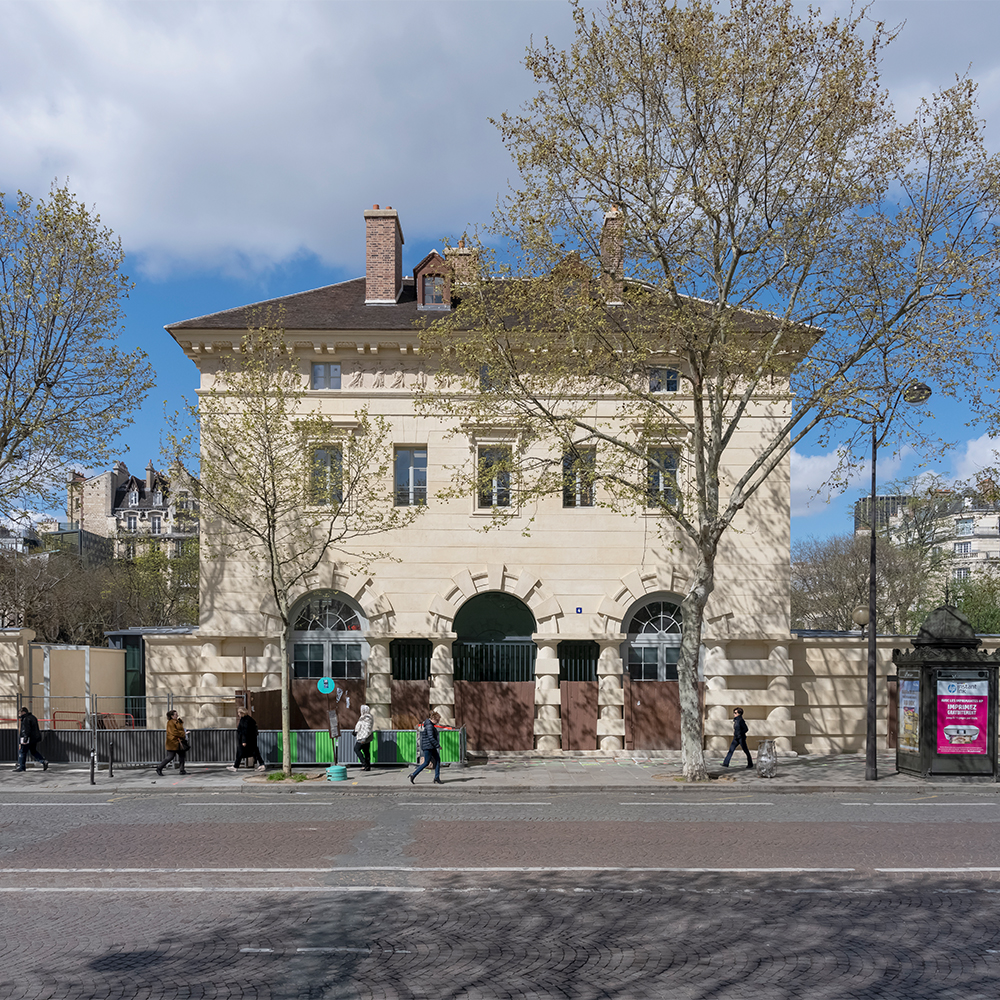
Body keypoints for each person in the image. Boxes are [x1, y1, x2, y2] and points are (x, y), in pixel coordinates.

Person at [409, 711, 442, 784]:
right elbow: (431, 737)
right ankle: (413, 774)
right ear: (434, 719)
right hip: (429, 747)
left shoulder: (428, 724)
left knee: (437, 760)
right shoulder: (429, 726)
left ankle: (437, 777)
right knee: (426, 763)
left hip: (430, 747)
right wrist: (438, 745)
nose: (438, 722)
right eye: (438, 720)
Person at [228, 707, 265, 771]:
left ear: (242, 713)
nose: (238, 714)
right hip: (251, 740)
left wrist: (244, 741)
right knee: (255, 752)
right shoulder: (249, 719)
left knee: (240, 752)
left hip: (247, 740)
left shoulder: (245, 720)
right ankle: (261, 765)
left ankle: (235, 767)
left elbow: (244, 731)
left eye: (239, 713)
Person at [14, 707, 48, 772]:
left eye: (20, 712)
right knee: (33, 751)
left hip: (28, 738)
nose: (20, 714)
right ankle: (43, 761)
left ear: (23, 712)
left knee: (22, 751)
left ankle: (21, 767)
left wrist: (24, 739)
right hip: (34, 739)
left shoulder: (25, 719)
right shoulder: (33, 717)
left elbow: (26, 730)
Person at [156, 710, 188, 776]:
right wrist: (183, 734)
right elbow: (174, 732)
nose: (177, 715)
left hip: (179, 742)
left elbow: (178, 729)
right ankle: (159, 768)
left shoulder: (176, 722)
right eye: (176, 714)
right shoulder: (170, 723)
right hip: (173, 742)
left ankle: (182, 770)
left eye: (177, 714)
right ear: (172, 716)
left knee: (182, 756)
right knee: (170, 757)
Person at [353, 704, 375, 771]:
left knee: (356, 749)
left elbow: (361, 727)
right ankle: (367, 767)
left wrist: (355, 731)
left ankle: (364, 763)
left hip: (362, 737)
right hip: (368, 737)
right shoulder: (370, 717)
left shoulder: (364, 718)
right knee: (366, 751)